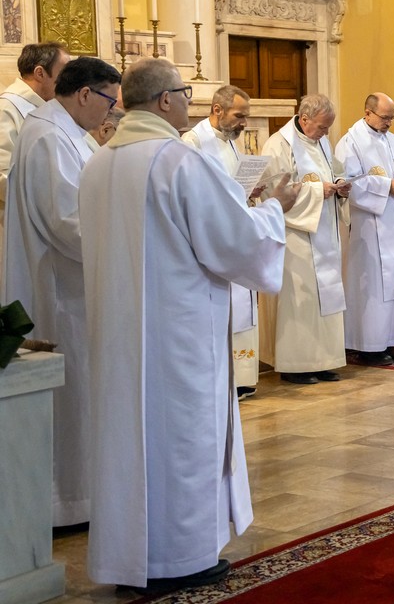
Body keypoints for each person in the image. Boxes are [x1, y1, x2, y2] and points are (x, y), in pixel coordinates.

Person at [80, 57, 297, 594]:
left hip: (120, 335)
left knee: (130, 441)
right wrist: (275, 208)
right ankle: (178, 558)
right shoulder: (176, 160)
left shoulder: (100, 161)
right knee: (181, 439)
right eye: (183, 91)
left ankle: (129, 558)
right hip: (177, 334)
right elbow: (234, 243)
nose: (189, 101)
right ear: (163, 101)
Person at [2, 56, 120, 528]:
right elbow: (68, 221)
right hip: (61, 287)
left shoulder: (63, 129)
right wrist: (127, 242)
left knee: (82, 391)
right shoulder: (49, 135)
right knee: (71, 392)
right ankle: (67, 501)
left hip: (74, 282)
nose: (110, 114)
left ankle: (81, 495)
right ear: (85, 94)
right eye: (108, 102)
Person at [260, 93, 349, 384]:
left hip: (325, 228)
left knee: (325, 298)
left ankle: (323, 359)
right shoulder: (277, 145)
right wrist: (316, 191)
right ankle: (296, 365)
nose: (325, 134)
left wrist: (340, 186)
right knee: (301, 300)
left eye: (327, 129)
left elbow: (335, 170)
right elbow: (274, 191)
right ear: (304, 118)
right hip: (296, 234)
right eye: (322, 127)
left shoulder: (321, 141)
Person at [182, 84, 265, 397]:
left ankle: (242, 377)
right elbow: (191, 191)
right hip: (213, 240)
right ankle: (222, 379)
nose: (244, 123)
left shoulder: (231, 141)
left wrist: (250, 190)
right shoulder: (193, 142)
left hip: (236, 235)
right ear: (217, 110)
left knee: (242, 307)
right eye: (239, 115)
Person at [334, 92, 394, 364]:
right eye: (385, 117)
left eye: (392, 117)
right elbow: (348, 183)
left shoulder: (393, 141)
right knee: (372, 287)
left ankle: (391, 339)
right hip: (368, 228)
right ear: (367, 112)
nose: (389, 123)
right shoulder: (350, 142)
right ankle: (369, 345)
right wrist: (386, 187)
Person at [0, 41, 68, 274]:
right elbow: (2, 174)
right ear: (40, 73)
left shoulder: (45, 108)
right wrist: (48, 200)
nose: (67, 81)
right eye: (63, 72)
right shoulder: (7, 108)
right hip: (17, 225)